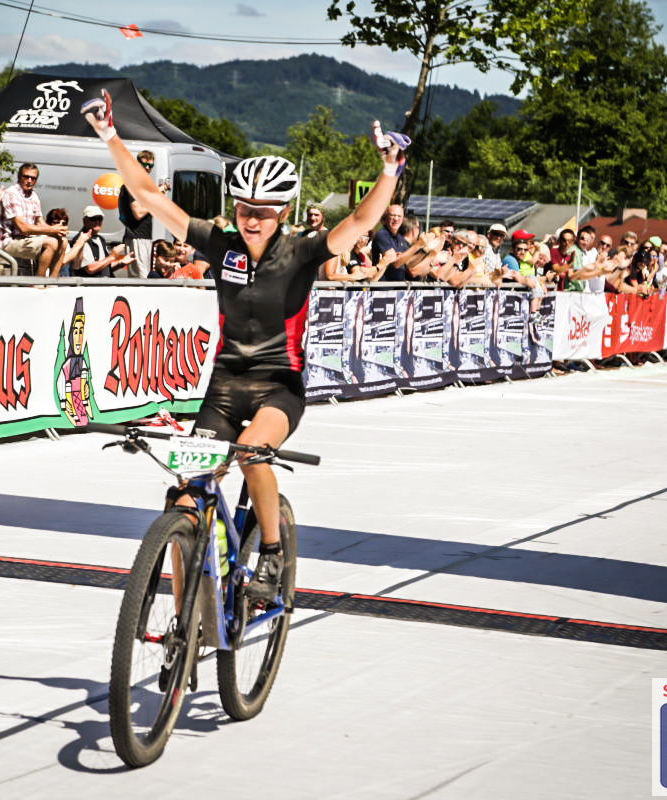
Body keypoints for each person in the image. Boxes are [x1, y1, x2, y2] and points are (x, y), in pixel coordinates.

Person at [82, 87, 408, 600]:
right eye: (243, 209)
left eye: (264, 211)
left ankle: (273, 553)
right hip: (223, 387)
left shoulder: (301, 252)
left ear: (284, 210)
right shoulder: (220, 244)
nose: (251, 220)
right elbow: (149, 197)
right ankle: (187, 619)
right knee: (184, 500)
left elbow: (362, 221)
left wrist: (389, 170)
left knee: (254, 454)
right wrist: (109, 135)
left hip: (278, 386)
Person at [0, 163, 68, 277]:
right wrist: (52, 230)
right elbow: (23, 228)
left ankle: (52, 282)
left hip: (28, 239)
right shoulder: (11, 193)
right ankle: (39, 282)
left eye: (33, 178)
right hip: (10, 241)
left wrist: (58, 231)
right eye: (26, 177)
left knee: (63, 241)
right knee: (52, 243)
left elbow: (40, 222)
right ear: (19, 177)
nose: (29, 181)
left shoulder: (34, 196)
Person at [117, 149, 158, 277]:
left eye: (151, 165)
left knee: (142, 277)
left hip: (143, 236)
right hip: (137, 236)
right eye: (144, 164)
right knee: (141, 278)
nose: (147, 168)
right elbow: (138, 213)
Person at [61, 206, 132, 278]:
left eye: (100, 219)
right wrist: (112, 256)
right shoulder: (81, 239)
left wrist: (121, 263)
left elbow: (104, 266)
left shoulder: (100, 239)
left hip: (104, 282)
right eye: (93, 218)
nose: (97, 222)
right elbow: (90, 269)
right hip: (90, 284)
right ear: (84, 220)